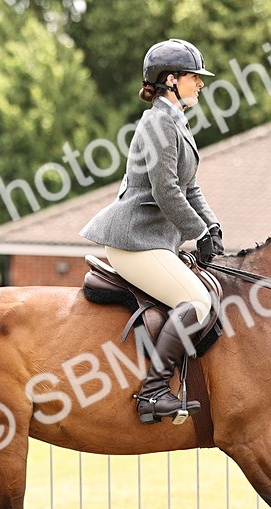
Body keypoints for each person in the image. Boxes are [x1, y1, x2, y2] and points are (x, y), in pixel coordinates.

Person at [79, 38, 221, 424]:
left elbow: (190, 187)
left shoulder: (176, 121)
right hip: (135, 241)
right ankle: (154, 392)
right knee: (196, 303)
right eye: (195, 77)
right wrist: (196, 231)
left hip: (155, 241)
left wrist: (211, 226)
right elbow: (166, 191)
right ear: (171, 80)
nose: (201, 84)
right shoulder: (158, 122)